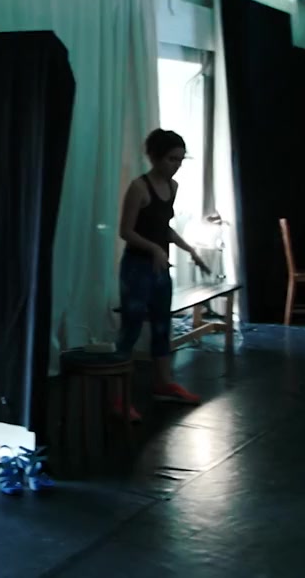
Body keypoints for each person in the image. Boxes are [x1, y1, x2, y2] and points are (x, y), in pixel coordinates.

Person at [116, 129, 210, 421]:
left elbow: (163, 228)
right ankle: (118, 396)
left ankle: (163, 384)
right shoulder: (139, 188)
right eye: (171, 159)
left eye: (180, 159)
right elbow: (125, 231)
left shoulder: (173, 186)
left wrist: (190, 250)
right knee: (131, 329)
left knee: (161, 326)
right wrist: (154, 249)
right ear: (155, 157)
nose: (176, 165)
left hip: (159, 268)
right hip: (136, 268)